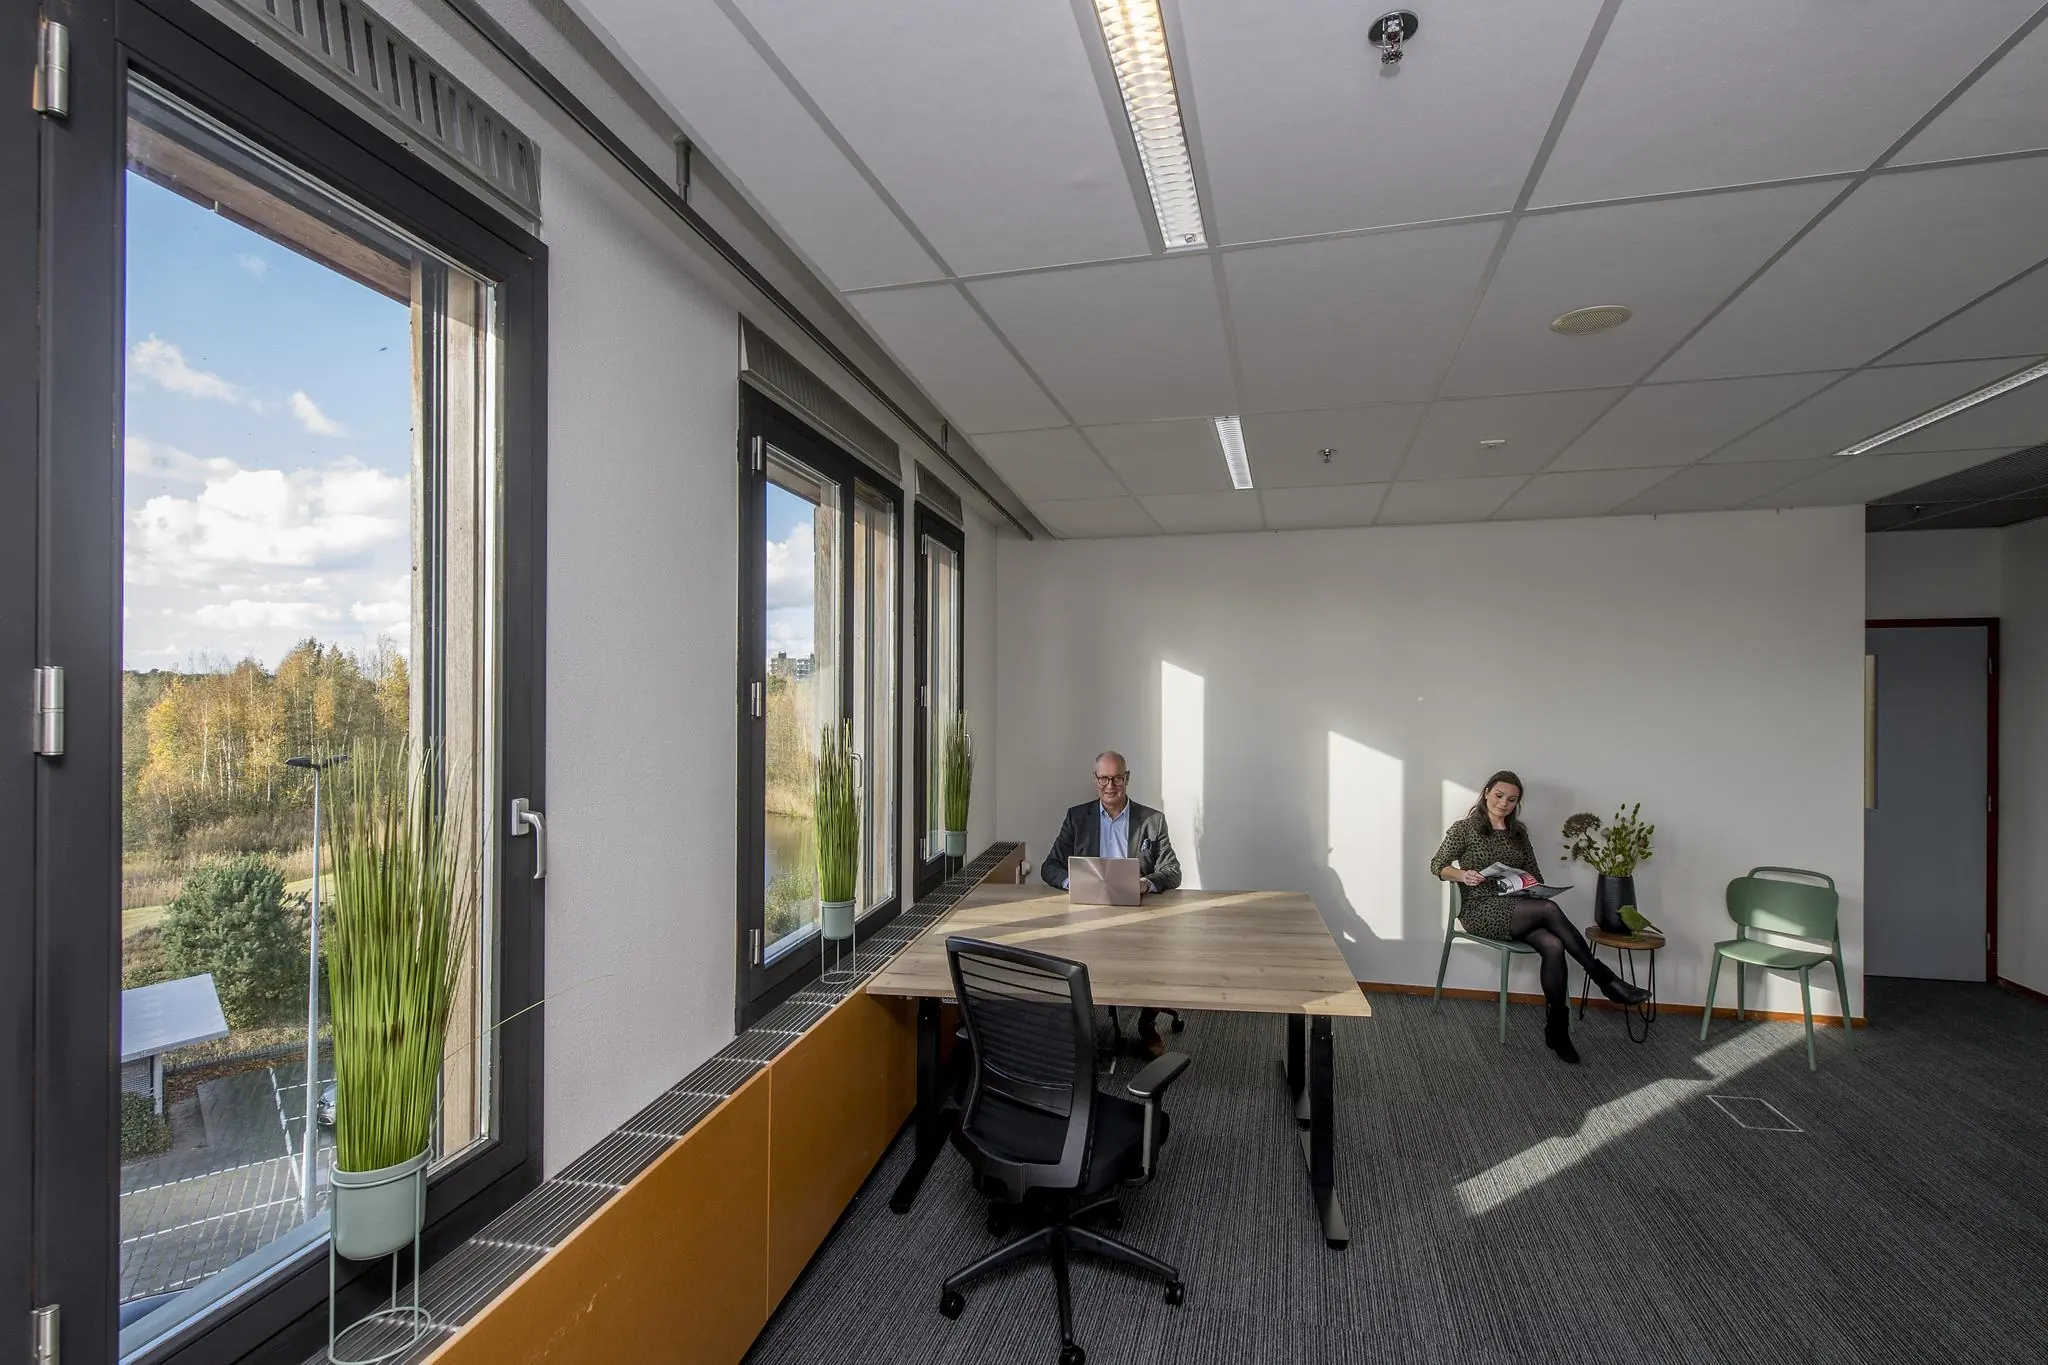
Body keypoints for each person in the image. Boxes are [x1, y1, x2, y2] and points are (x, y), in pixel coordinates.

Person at [1429, 770, 1648, 1064]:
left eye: (1511, 799)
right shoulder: (1465, 829)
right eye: (1499, 795)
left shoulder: (1519, 834)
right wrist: (1462, 875)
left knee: (1554, 946)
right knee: (1549, 911)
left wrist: (1528, 884)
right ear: (1486, 793)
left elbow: (1535, 874)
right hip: (1480, 908)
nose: (1504, 803)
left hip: (1519, 908)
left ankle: (1557, 1032)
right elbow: (1437, 865)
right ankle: (1604, 978)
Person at [1042, 750, 1182, 1056]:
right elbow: (1049, 866)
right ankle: (1081, 1027)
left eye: (1117, 778)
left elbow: (1173, 871)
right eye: (1104, 778)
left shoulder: (1152, 821)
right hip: (1086, 913)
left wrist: (1145, 883)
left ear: (1127, 778)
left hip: (1137, 912)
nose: (1110, 785)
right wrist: (1073, 883)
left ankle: (1147, 1025)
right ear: (1095, 780)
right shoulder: (1077, 817)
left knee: (1153, 956)